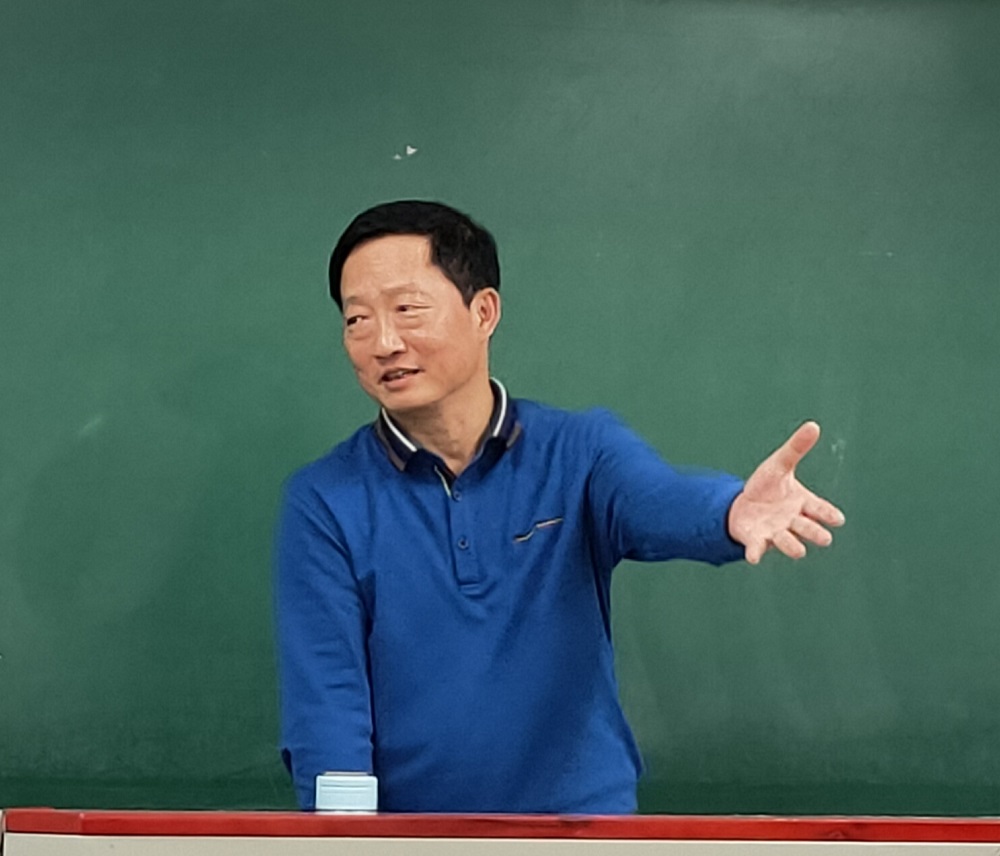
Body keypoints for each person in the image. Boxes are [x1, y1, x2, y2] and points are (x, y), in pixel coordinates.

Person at [274, 200, 845, 814]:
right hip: (413, 839)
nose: (383, 343)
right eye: (357, 320)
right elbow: (328, 703)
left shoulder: (579, 451)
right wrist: (347, 842)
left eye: (407, 310)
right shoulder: (325, 500)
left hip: (583, 831)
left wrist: (730, 510)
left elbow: (656, 499)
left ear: (483, 311)